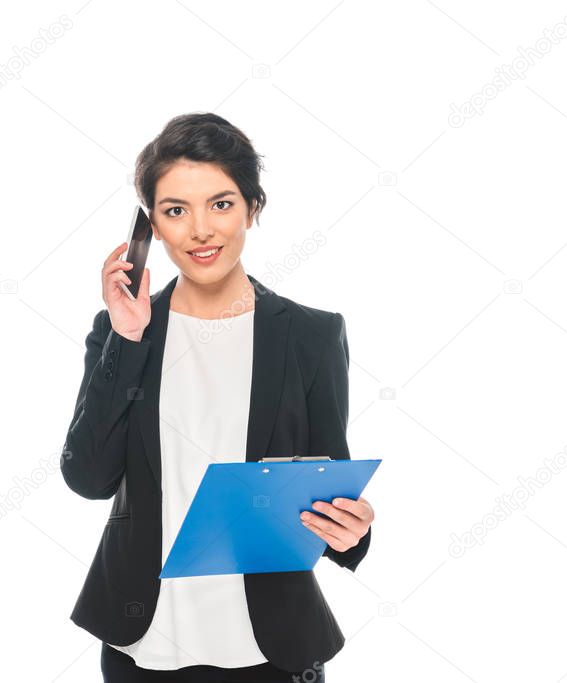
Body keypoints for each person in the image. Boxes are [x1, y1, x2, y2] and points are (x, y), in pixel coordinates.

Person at [61, 113, 375, 682]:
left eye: (221, 204)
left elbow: (325, 479)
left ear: (253, 208)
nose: (200, 230)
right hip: (146, 645)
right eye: (175, 210)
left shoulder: (311, 335)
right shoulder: (123, 331)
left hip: (272, 649)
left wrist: (352, 531)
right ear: (152, 225)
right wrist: (128, 338)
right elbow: (87, 477)